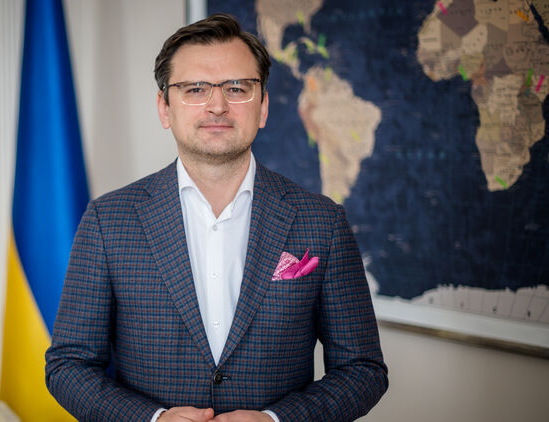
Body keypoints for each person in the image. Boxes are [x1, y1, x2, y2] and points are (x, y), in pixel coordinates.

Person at [45, 13, 388, 422]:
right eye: (195, 89)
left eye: (237, 88)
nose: (217, 105)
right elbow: (68, 365)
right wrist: (152, 419)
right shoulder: (109, 220)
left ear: (262, 107)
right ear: (165, 108)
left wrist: (278, 420)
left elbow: (362, 370)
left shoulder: (322, 222)